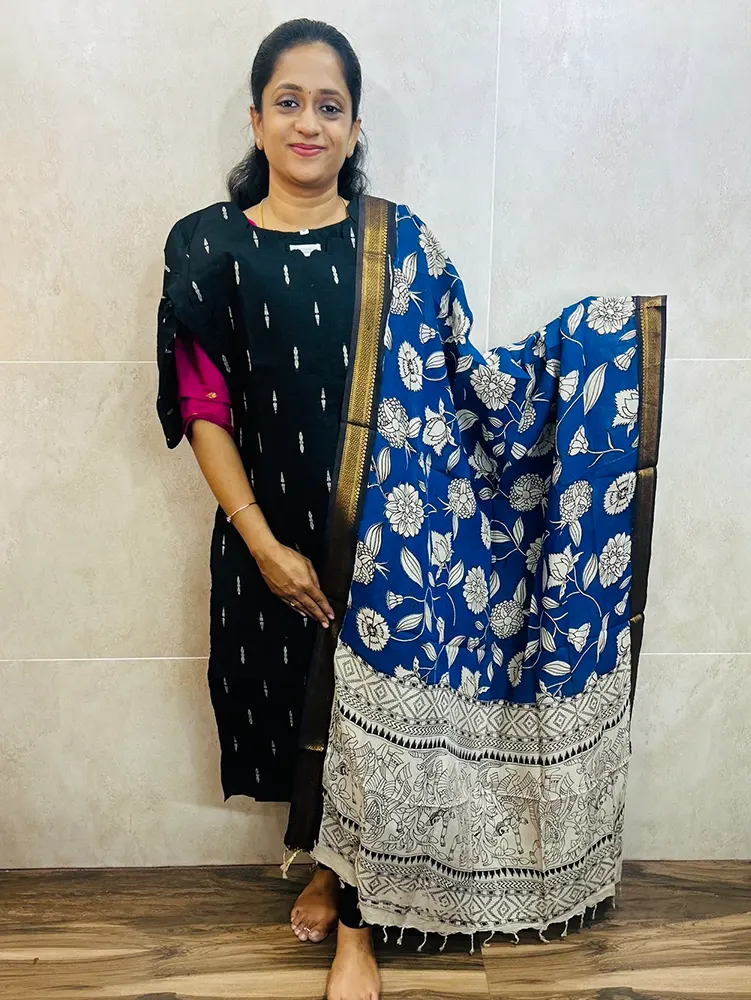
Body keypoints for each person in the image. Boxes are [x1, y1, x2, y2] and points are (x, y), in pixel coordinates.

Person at [156, 18, 666, 1000]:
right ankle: (323, 865)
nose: (309, 123)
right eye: (288, 102)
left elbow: (466, 377)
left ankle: (358, 928)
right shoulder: (206, 244)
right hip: (268, 528)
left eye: (330, 106)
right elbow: (201, 403)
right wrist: (261, 542)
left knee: (374, 735)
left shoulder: (400, 243)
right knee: (296, 715)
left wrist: (594, 348)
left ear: (354, 128)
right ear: (257, 118)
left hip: (396, 544)